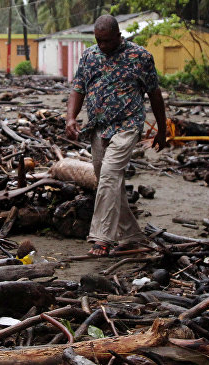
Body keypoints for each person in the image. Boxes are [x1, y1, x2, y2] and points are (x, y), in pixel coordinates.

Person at [65, 15, 167, 256]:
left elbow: (154, 94)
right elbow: (78, 89)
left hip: (128, 125)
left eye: (107, 41)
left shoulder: (140, 57)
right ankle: (133, 236)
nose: (102, 46)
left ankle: (101, 237)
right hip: (98, 127)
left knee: (110, 174)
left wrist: (161, 130)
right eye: (98, 41)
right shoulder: (90, 56)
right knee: (108, 182)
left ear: (119, 36)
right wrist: (70, 118)